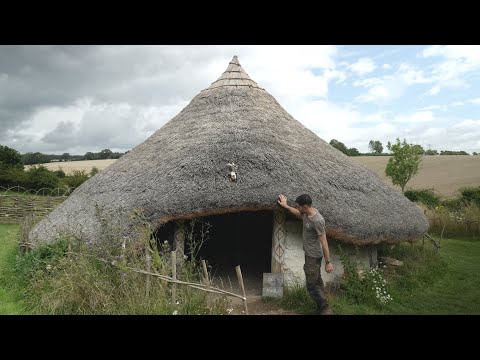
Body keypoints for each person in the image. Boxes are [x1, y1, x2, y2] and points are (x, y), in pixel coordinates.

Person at [277, 193, 334, 315]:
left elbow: (324, 242)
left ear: (306, 206)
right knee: (317, 282)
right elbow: (297, 213)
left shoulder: (318, 220)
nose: (298, 208)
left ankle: (326, 309)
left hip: (313, 257)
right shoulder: (306, 214)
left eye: (300, 206)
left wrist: (328, 262)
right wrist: (286, 206)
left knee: (311, 286)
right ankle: (321, 308)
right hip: (310, 256)